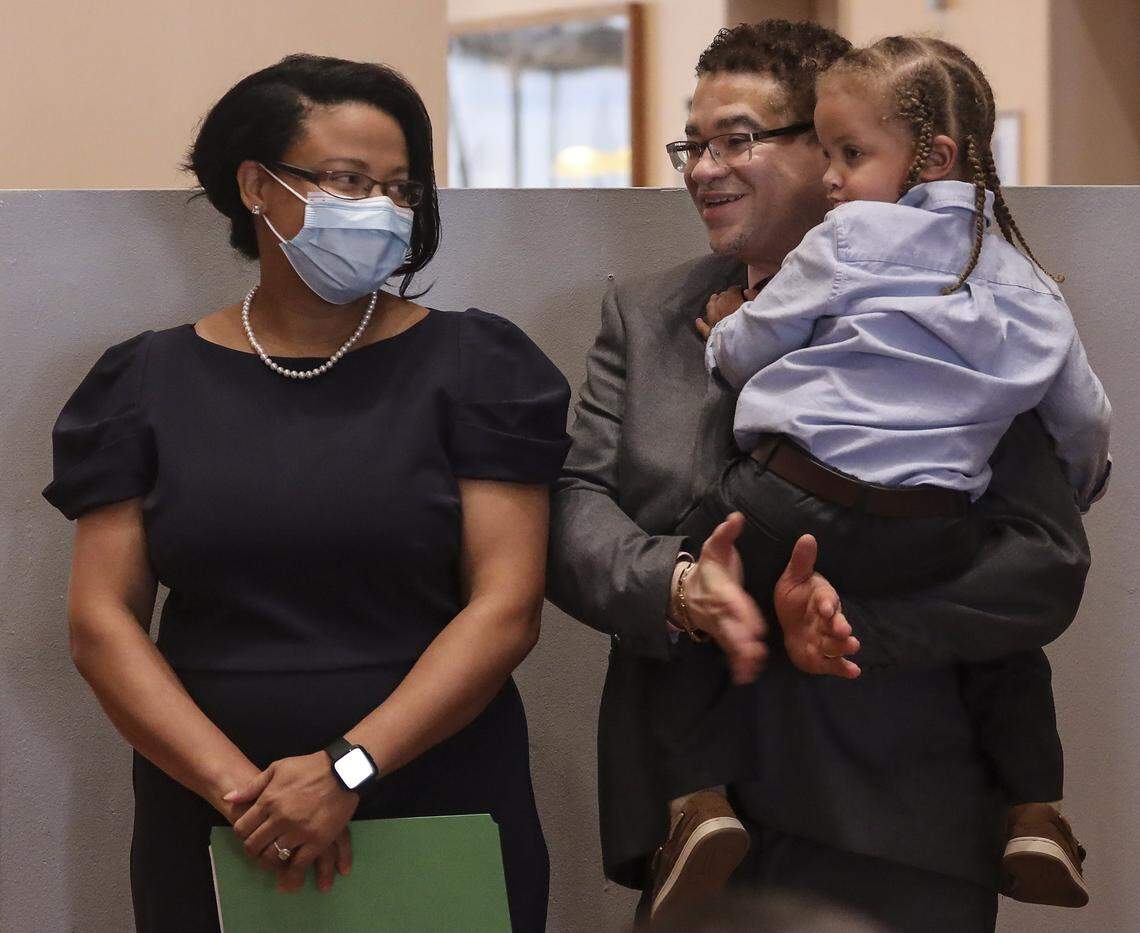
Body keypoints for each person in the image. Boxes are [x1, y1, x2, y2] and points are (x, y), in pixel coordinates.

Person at [546, 20, 1090, 932]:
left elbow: (1043, 565)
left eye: (739, 138)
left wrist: (846, 629)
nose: (702, 168)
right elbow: (574, 510)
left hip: (896, 818)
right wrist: (680, 587)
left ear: (846, 152)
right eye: (694, 142)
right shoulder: (647, 315)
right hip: (697, 839)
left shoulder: (961, 312)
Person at [44, 54, 569, 933]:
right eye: (347, 180)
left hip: (434, 791)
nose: (380, 209)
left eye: (399, 189)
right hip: (217, 812)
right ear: (256, 185)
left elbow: (507, 607)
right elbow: (101, 622)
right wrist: (242, 792)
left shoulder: (480, 366)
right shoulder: (140, 381)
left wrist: (344, 771)